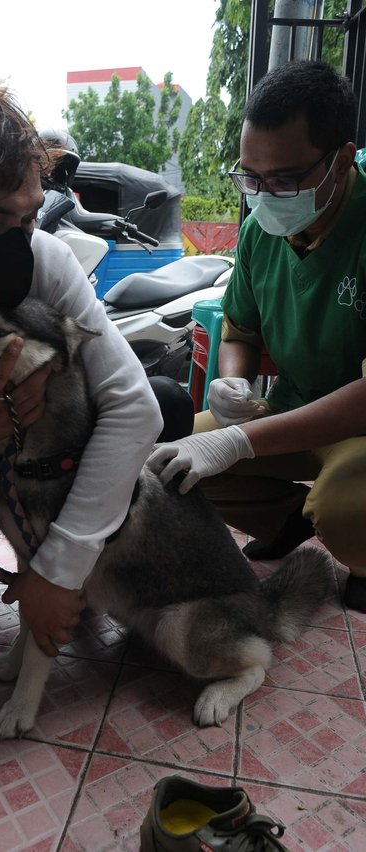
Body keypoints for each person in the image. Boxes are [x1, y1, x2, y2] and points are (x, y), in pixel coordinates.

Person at [0, 75, 192, 672]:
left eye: (26, 221)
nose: (17, 247)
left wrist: (60, 567)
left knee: (169, 401)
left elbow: (135, 407)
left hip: (32, 468)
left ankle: (102, 569)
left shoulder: (46, 263)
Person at [147, 59, 366, 612]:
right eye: (251, 177)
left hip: (358, 430)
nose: (264, 195)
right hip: (288, 410)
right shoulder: (259, 232)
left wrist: (238, 441)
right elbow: (240, 329)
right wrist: (232, 383)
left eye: (285, 179)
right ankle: (290, 518)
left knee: (347, 509)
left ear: (341, 160)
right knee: (168, 463)